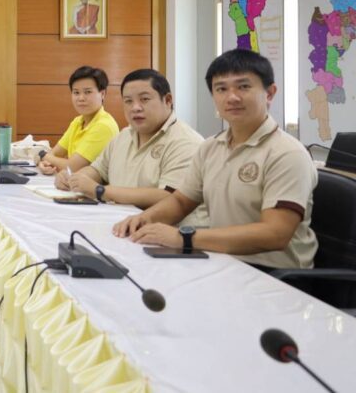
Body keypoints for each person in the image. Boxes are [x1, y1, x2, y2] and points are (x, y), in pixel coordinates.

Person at [113, 49, 318, 270]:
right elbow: (181, 201)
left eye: (243, 87)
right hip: (222, 260)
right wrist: (146, 219)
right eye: (221, 89)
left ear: (269, 93)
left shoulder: (287, 153)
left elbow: (274, 234)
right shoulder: (211, 147)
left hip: (275, 275)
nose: (232, 97)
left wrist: (184, 238)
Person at [55, 69, 207, 225]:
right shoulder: (123, 136)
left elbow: (170, 197)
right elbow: (98, 170)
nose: (135, 107)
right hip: (120, 224)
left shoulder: (186, 142)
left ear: (167, 100)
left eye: (144, 99)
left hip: (171, 233)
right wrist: (74, 178)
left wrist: (101, 191)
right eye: (128, 101)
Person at [38, 66, 119, 175]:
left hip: (97, 185)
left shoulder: (104, 126)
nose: (81, 98)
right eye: (76, 92)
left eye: (88, 92)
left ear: (102, 94)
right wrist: (44, 163)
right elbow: (55, 154)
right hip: (74, 182)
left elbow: (72, 167)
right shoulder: (78, 121)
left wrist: (43, 156)